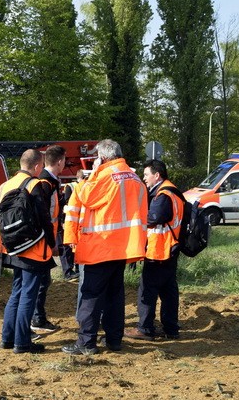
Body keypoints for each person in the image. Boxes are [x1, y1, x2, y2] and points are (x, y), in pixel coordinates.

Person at [61, 140, 148, 356]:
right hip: (123, 248)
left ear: (104, 157)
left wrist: (86, 178)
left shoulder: (107, 176)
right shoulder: (134, 178)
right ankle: (114, 340)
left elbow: (87, 197)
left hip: (101, 247)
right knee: (114, 296)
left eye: (96, 157)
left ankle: (86, 342)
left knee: (91, 296)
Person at [0, 149, 56, 354]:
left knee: (17, 291)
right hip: (33, 247)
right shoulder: (35, 185)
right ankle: (22, 342)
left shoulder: (5, 185)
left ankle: (7, 338)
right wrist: (51, 243)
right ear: (37, 166)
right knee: (29, 294)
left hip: (10, 245)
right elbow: (44, 219)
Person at [128, 159, 184, 341]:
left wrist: (134, 214)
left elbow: (153, 217)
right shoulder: (173, 191)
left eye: (146, 175)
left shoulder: (163, 194)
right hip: (170, 248)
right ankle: (171, 328)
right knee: (168, 291)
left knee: (147, 290)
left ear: (157, 175)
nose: (144, 178)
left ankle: (145, 328)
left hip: (159, 250)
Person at [31, 145, 66, 336]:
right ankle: (38, 318)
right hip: (42, 240)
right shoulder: (45, 183)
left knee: (43, 280)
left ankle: (38, 317)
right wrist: (51, 240)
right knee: (41, 281)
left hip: (45, 238)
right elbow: (44, 216)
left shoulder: (49, 182)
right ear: (60, 161)